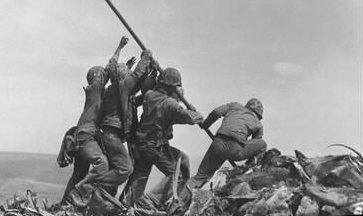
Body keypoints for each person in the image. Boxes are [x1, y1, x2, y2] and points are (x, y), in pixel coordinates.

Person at [59, 36, 129, 205]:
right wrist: (119, 47)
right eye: (101, 76)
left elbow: (115, 80)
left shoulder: (96, 93)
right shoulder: (95, 89)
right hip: (86, 136)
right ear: (97, 77)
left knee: (79, 174)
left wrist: (127, 70)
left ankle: (64, 205)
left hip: (84, 135)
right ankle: (79, 193)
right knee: (101, 163)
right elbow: (109, 68)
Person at [122, 68, 204, 204]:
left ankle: (129, 204)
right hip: (154, 145)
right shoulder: (170, 104)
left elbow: (170, 115)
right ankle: (150, 201)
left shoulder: (149, 95)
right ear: (171, 86)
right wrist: (195, 112)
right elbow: (192, 119)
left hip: (142, 143)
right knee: (177, 176)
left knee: (181, 160)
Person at [98, 48, 153, 195]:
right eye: (126, 73)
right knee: (125, 169)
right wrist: (145, 57)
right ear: (123, 77)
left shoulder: (114, 90)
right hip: (112, 136)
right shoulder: (122, 87)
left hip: (110, 135)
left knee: (115, 171)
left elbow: (137, 94)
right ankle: (91, 186)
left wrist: (151, 73)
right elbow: (136, 76)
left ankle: (104, 201)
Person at [184, 98, 267, 192]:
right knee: (262, 144)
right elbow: (255, 145)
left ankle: (178, 198)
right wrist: (249, 164)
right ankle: (248, 168)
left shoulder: (234, 106)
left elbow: (216, 112)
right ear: (258, 114)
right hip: (235, 149)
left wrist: (205, 125)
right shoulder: (258, 124)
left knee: (200, 177)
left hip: (217, 143)